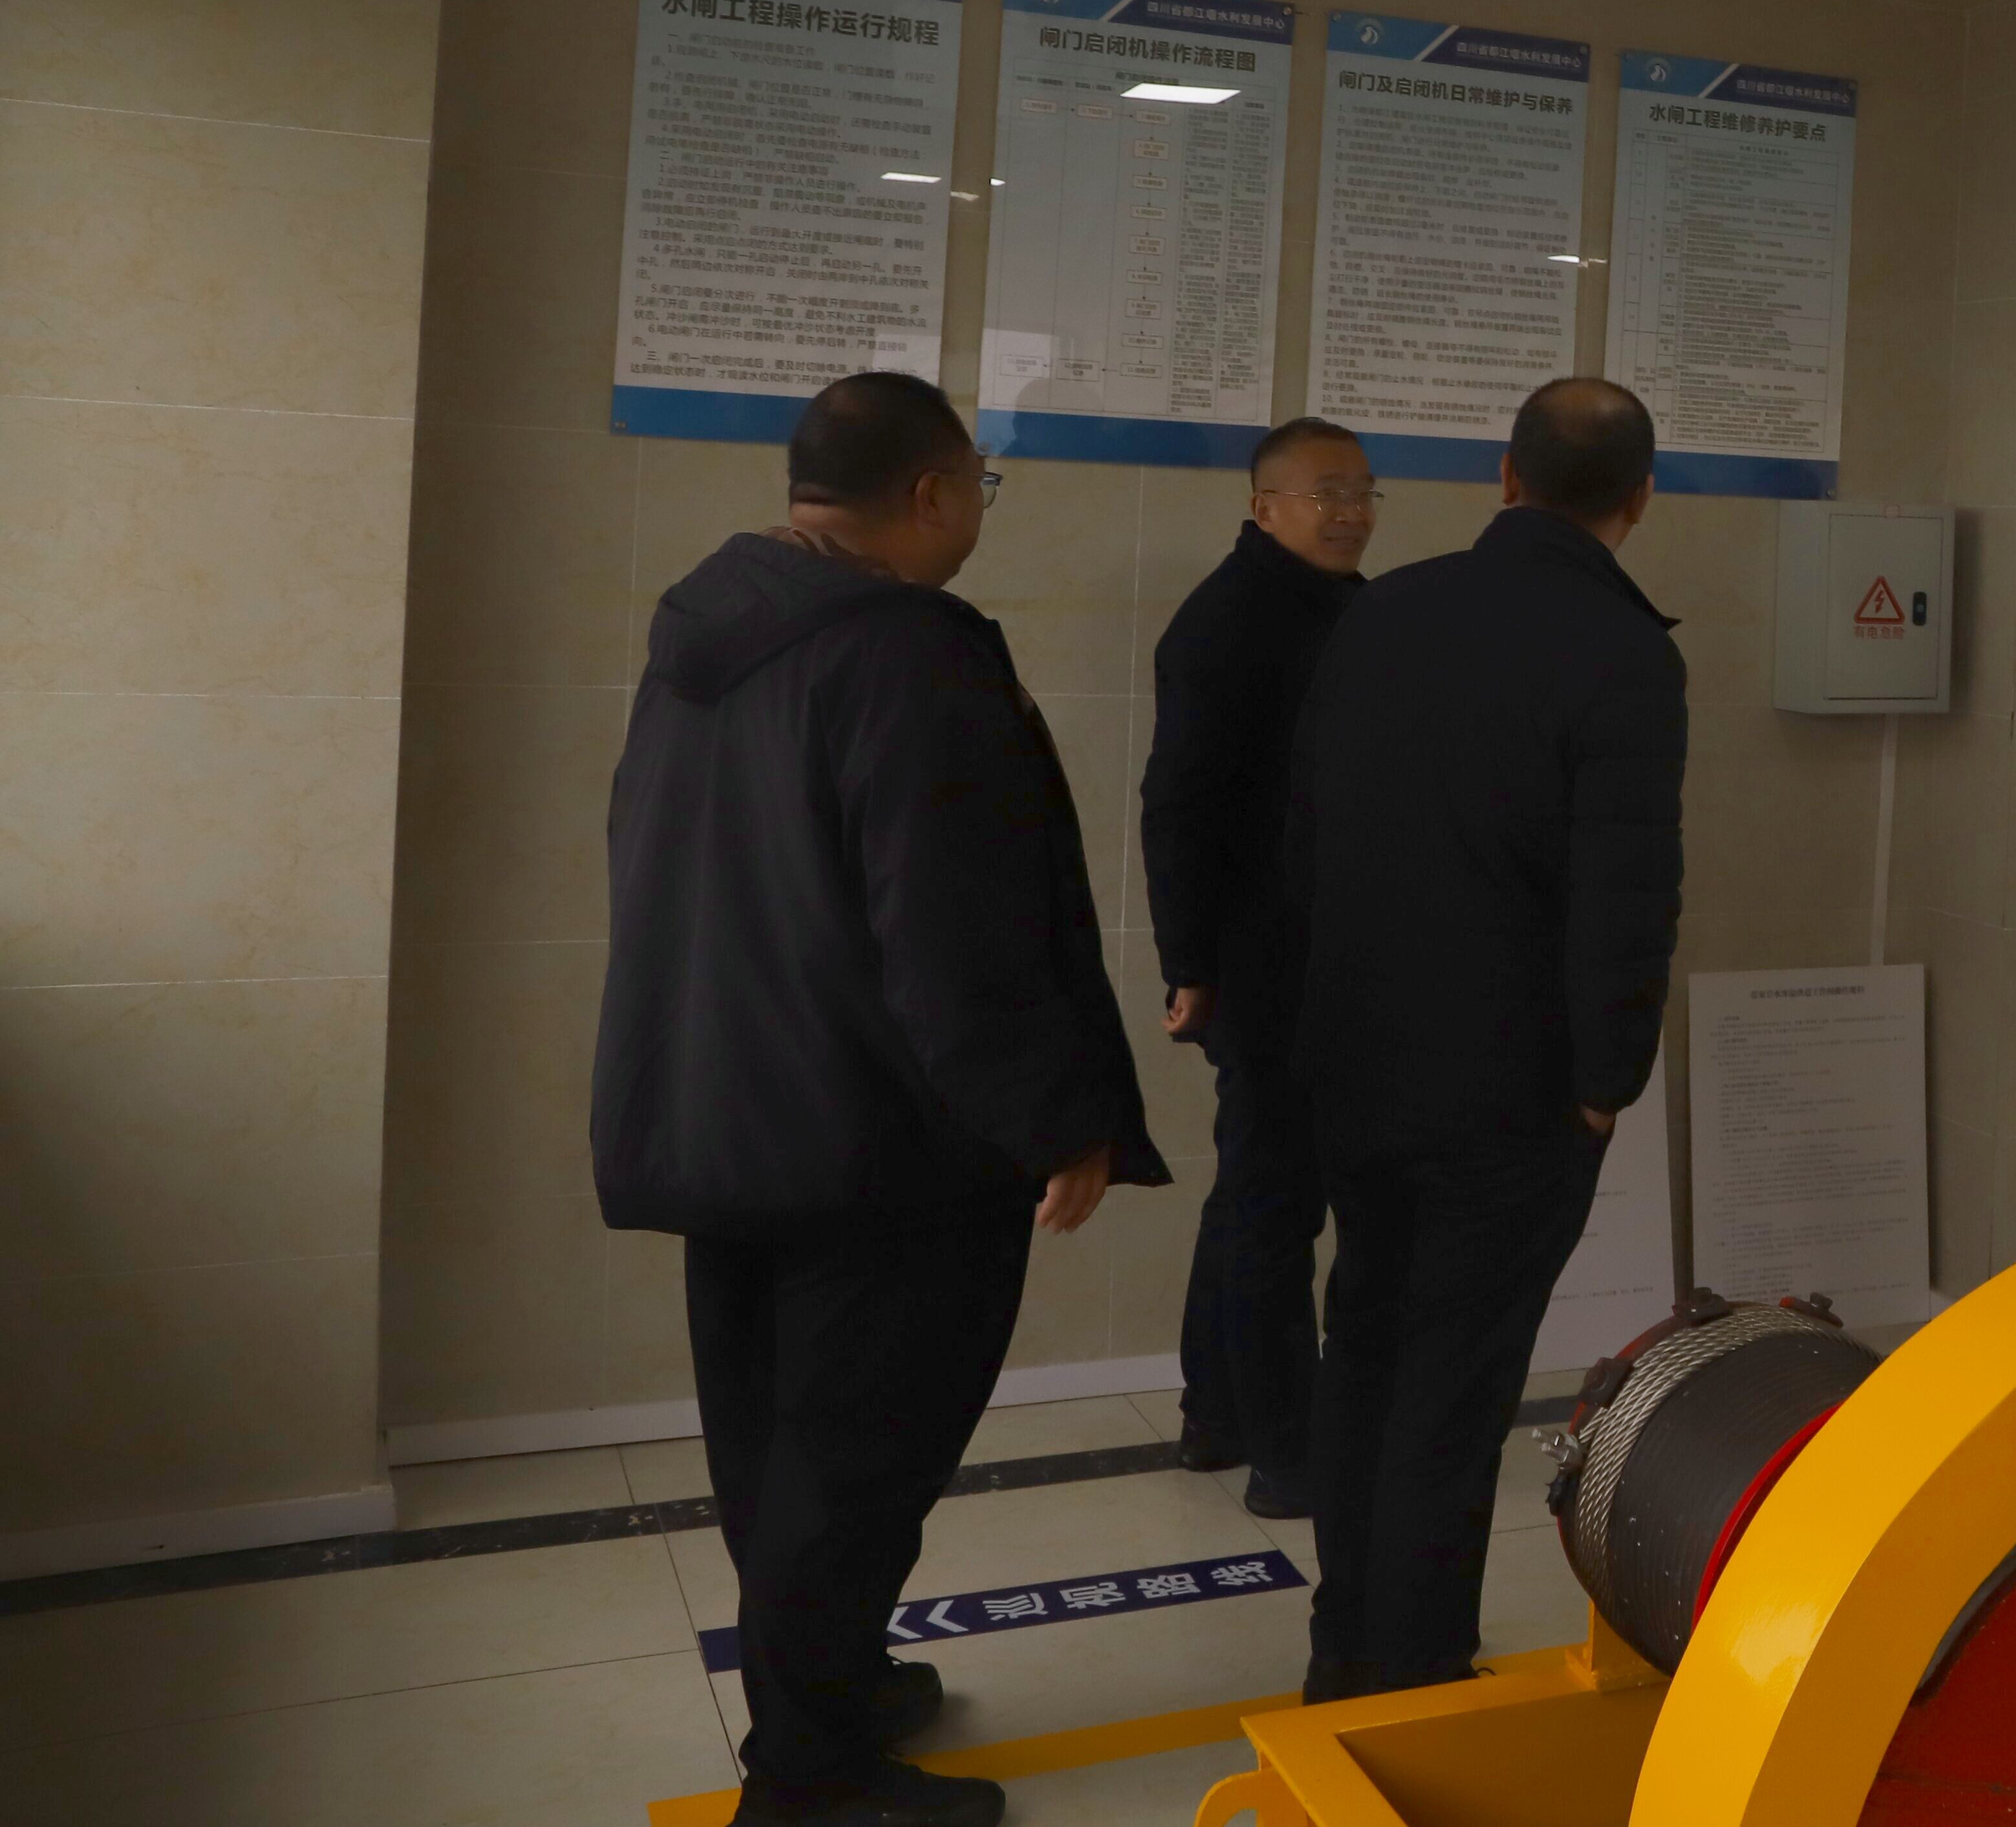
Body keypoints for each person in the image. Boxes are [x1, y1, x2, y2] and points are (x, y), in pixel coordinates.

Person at [595, 372, 1165, 1827]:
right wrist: (1055, 1115)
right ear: (929, 492)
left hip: (725, 1106)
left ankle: (829, 1685)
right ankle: (811, 1782)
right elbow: (958, 928)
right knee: (854, 1462)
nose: (978, 511)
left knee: (774, 1446)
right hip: (880, 1139)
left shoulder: (705, 640)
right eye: (979, 484)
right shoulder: (909, 655)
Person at [1285, 378, 1686, 1702]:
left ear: (1506, 477)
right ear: (1639, 499)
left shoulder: (1384, 610)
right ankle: (1411, 1667)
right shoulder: (1623, 652)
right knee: (1455, 1381)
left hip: (1357, 1055)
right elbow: (1626, 894)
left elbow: (1310, 835)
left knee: (1367, 1342)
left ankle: (1347, 1643)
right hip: (1511, 1084)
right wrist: (1605, 1082)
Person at [1145, 416, 1377, 1520]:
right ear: (1264, 506)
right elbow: (1176, 805)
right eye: (1326, 493)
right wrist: (1188, 963)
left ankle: (1217, 1412)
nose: (1349, 513)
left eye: (1363, 493)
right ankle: (1288, 1450)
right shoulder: (1226, 622)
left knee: (1256, 1186)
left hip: (1332, 954)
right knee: (1277, 1204)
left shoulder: (1354, 610)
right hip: (1259, 963)